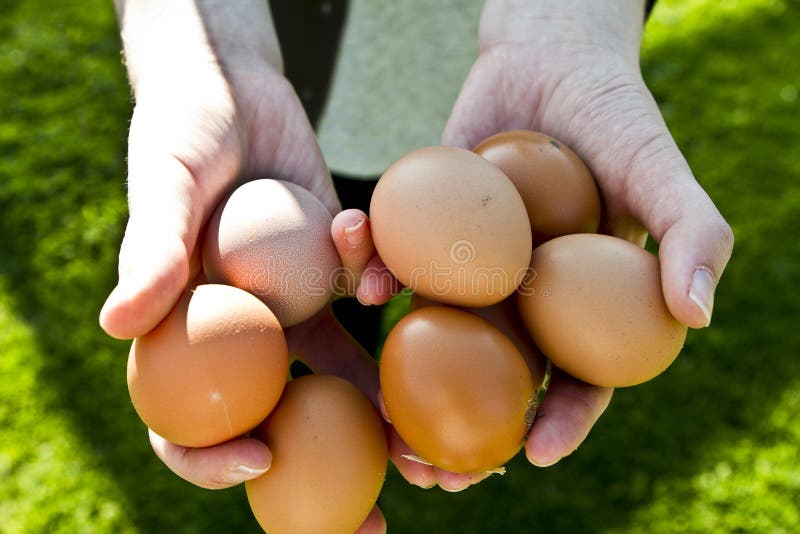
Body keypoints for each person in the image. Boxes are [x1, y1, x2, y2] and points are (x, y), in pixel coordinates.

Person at [100, 1, 733, 531]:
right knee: (350, 295)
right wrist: (204, 61)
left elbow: (488, 264)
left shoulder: (500, 241)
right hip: (296, 131)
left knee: (372, 301)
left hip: (490, 123)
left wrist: (566, 32)